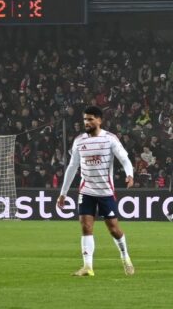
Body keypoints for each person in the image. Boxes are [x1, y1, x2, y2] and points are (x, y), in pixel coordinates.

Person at [57, 106, 135, 277]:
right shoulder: (79, 141)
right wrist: (63, 193)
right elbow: (72, 167)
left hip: (106, 192)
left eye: (91, 119)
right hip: (86, 191)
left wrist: (130, 175)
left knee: (114, 229)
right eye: (85, 119)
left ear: (99, 120)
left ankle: (125, 257)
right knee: (86, 226)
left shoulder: (110, 139)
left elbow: (125, 159)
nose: (87, 122)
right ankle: (87, 267)